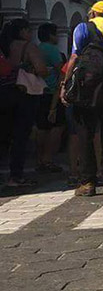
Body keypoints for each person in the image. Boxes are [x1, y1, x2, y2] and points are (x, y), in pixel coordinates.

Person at [62, 1, 103, 196]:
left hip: (86, 87)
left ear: (93, 13)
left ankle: (87, 183)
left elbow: (74, 57)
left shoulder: (84, 28)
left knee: (85, 132)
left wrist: (65, 84)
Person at [0, 18, 50, 189]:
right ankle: (16, 175)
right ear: (22, 31)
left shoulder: (5, 46)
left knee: (5, 133)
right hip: (24, 93)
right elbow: (42, 69)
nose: (31, 34)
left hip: (5, 90)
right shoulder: (28, 47)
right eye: (29, 30)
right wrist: (37, 70)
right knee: (21, 135)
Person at [35, 23, 66, 175]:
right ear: (50, 35)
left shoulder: (38, 48)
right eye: (55, 34)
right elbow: (61, 70)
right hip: (52, 91)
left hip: (38, 90)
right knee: (56, 126)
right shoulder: (52, 50)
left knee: (41, 127)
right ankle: (48, 159)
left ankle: (40, 158)